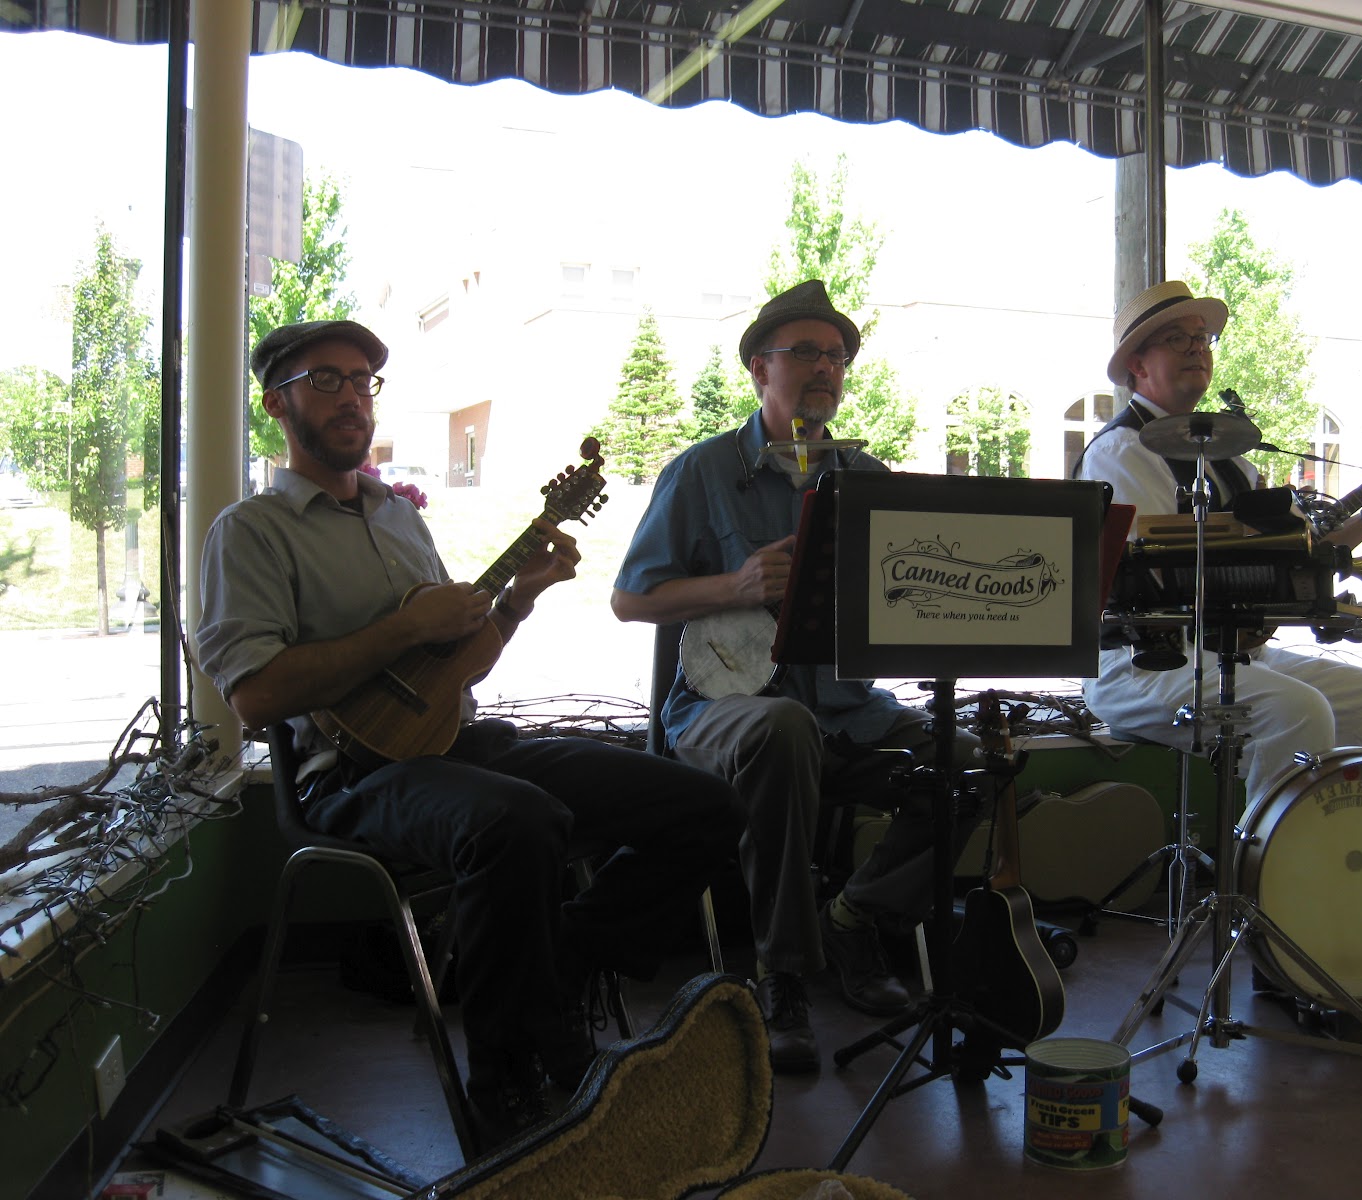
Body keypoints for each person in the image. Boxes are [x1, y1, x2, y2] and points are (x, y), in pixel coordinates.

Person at [195, 319, 739, 1148]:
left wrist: (517, 599)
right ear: (277, 403)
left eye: (363, 380)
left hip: (460, 747)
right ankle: (505, 1084)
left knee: (704, 806)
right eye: (326, 379)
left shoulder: (399, 519)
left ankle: (559, 971)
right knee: (515, 821)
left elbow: (453, 669)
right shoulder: (251, 531)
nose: (352, 397)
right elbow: (257, 699)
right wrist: (402, 629)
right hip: (348, 774)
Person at [611, 281, 981, 1072]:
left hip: (847, 711)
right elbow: (630, 599)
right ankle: (780, 972)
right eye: (806, 352)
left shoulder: (865, 476)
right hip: (724, 710)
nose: (826, 368)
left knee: (972, 759)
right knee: (783, 729)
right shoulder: (702, 472)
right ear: (758, 368)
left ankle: (856, 918)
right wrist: (736, 585)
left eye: (837, 356)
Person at [1076, 279, 1362, 802]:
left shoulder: (1232, 462)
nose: (1197, 349)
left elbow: (1304, 554)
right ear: (1137, 364)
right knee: (1297, 710)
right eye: (1177, 339)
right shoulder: (1123, 453)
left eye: (1202, 338)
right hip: (1144, 666)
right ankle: (1270, 853)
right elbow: (1153, 573)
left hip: (1236, 657)